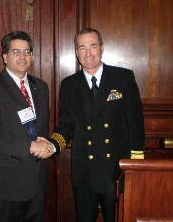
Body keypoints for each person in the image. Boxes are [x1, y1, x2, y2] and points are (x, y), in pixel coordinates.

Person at [33, 28, 145, 222]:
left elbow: (135, 121)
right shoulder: (69, 85)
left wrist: (136, 161)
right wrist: (53, 144)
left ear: (101, 48)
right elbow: (66, 126)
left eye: (93, 46)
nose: (88, 53)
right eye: (82, 48)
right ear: (76, 52)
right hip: (85, 169)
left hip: (116, 168)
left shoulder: (123, 78)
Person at [0, 31, 53, 222]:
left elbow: (40, 129)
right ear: (4, 57)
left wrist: (48, 144)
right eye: (16, 52)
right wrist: (31, 146)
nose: (22, 56)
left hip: (37, 182)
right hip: (7, 184)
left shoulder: (40, 87)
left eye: (27, 52)